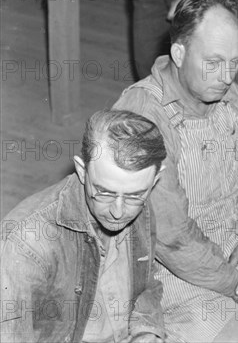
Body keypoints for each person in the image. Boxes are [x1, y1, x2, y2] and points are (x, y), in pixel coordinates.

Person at [113, 0, 238, 341]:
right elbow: (172, 238)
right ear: (179, 53)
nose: (227, 75)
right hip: (174, 273)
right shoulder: (145, 116)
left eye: (235, 61)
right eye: (214, 62)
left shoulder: (229, 95)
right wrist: (237, 283)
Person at [1, 110, 167, 342]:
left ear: (155, 180)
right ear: (82, 170)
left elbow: (148, 283)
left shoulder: (139, 204)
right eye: (104, 192)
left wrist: (146, 329)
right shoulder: (27, 241)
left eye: (134, 195)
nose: (118, 212)